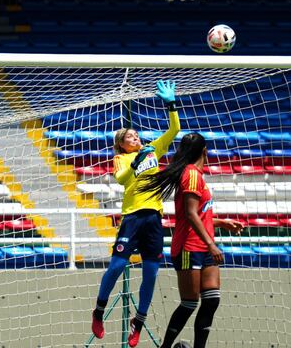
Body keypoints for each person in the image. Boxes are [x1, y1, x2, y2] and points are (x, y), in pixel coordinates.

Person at [91, 80, 180, 347]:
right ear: (121, 144)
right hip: (132, 217)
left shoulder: (153, 149)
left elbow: (175, 129)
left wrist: (170, 104)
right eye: (129, 136)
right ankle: (98, 311)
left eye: (136, 135)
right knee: (117, 265)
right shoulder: (123, 159)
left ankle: (138, 323)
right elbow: (121, 180)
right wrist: (137, 162)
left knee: (151, 273)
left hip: (153, 217)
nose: (135, 137)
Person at [139, 132, 244, 348]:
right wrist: (211, 244)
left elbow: (198, 214)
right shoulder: (192, 175)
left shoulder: (195, 175)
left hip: (202, 245)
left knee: (212, 299)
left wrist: (221, 223)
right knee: (190, 302)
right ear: (205, 151)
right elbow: (190, 214)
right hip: (189, 247)